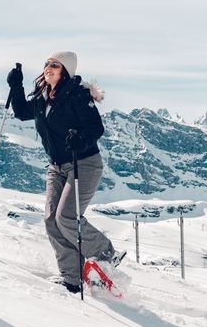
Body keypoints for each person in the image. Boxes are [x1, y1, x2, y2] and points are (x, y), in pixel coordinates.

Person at [8, 51, 122, 292]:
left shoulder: (78, 95)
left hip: (84, 163)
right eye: (47, 64)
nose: (48, 68)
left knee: (67, 218)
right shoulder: (42, 97)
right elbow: (20, 111)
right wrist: (15, 85)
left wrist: (80, 139)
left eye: (54, 65)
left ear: (65, 71)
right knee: (51, 220)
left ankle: (106, 253)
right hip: (56, 166)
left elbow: (95, 127)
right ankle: (71, 277)